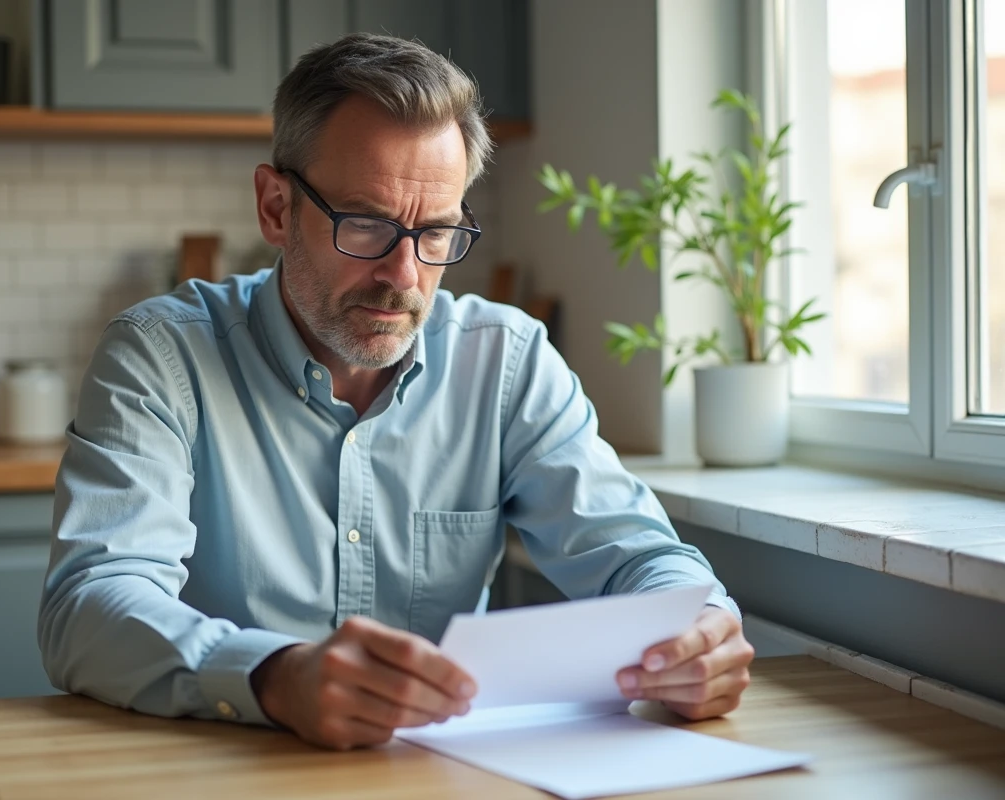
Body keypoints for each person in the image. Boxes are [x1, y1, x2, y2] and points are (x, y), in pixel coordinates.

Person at [38, 32, 754, 752]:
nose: (404, 276)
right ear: (276, 208)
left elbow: (634, 554)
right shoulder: (162, 356)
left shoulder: (505, 362)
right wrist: (276, 677)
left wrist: (697, 632)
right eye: (366, 226)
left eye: (435, 233)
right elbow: (90, 607)